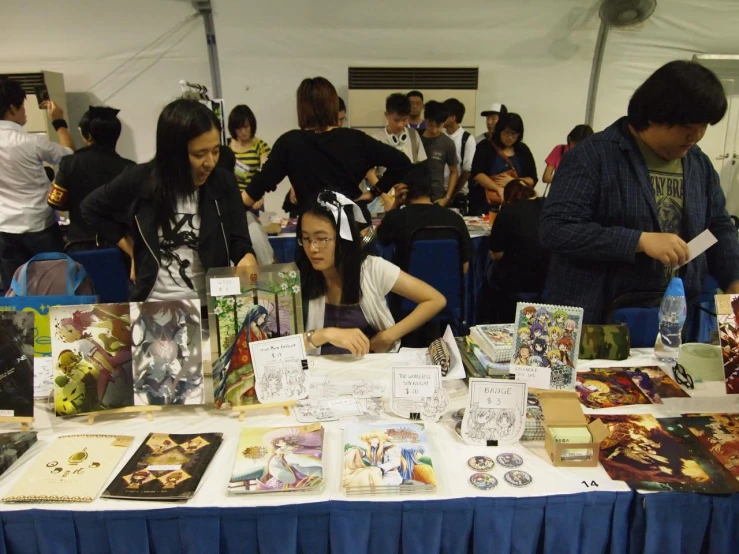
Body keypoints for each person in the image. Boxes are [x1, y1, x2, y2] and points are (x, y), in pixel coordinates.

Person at [540, 60, 739, 323]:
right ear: (655, 113)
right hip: (596, 319)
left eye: (704, 125)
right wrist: (639, 241)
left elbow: (718, 227)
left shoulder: (698, 164)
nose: (697, 135)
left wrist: (734, 279)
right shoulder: (593, 156)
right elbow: (556, 229)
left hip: (672, 319)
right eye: (688, 125)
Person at [81, 98, 256, 302]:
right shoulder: (140, 179)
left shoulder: (223, 183)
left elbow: (239, 240)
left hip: (210, 307)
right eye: (199, 154)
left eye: (216, 151)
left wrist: (247, 256)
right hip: (155, 306)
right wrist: (133, 249)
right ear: (174, 153)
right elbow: (90, 208)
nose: (210, 162)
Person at [298, 191, 445, 355]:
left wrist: (388, 336)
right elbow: (276, 345)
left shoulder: (371, 269)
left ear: (344, 239)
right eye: (306, 238)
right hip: (316, 373)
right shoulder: (294, 277)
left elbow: (435, 300)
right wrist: (324, 334)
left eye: (322, 238)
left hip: (368, 370)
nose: (312, 248)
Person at [244, 77, 411, 218]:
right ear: (332, 105)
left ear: (301, 107)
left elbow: (258, 186)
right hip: (352, 229)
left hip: (312, 236)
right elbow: (402, 162)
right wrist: (375, 192)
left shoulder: (290, 143)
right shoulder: (355, 139)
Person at [0, 79, 76, 287]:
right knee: (54, 287)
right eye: (23, 106)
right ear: (13, 108)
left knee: (14, 291)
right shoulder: (31, 142)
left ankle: (20, 320)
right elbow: (70, 158)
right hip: (40, 225)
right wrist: (58, 122)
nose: (25, 112)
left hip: (5, 227)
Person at [47, 106, 134, 251]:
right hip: (120, 245)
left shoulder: (70, 163)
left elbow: (55, 202)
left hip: (80, 242)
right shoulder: (129, 168)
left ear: (88, 136)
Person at [377, 161, 472, 273]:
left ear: (405, 189)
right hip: (448, 289)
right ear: (430, 187)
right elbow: (465, 267)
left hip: (407, 288)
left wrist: (396, 204)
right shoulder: (455, 220)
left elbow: (379, 239)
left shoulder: (396, 218)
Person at [484, 180, 549, 323]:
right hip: (546, 277)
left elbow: (496, 254)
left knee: (487, 268)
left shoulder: (507, 212)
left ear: (508, 197)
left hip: (516, 281)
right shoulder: (547, 206)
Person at [226, 104, 274, 264]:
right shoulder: (226, 147)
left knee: (258, 238)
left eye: (246, 127)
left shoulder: (260, 146)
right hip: (231, 202)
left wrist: (259, 196)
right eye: (239, 128)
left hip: (253, 201)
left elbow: (265, 172)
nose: (243, 131)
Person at [366, 93, 426, 212]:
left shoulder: (414, 136)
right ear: (387, 115)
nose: (400, 124)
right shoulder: (375, 139)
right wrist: (386, 198)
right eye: (396, 120)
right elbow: (370, 173)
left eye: (404, 120)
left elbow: (421, 168)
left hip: (410, 196)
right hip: (383, 198)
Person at [470, 113, 538, 216]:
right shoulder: (486, 146)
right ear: (499, 130)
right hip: (486, 204)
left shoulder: (523, 150)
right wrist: (498, 189)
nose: (510, 137)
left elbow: (532, 178)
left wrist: (514, 182)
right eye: (507, 133)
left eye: (514, 134)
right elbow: (477, 173)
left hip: (516, 206)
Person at [420, 101, 459, 205]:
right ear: (426, 119)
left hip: (437, 197)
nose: (435, 130)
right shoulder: (415, 138)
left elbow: (454, 171)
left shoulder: (448, 143)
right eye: (431, 125)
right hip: (415, 195)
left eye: (439, 126)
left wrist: (447, 197)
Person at [443, 98, 476, 212]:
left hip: (458, 194)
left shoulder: (466, 139)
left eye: (444, 115)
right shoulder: (440, 137)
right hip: (438, 192)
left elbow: (467, 170)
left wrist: (451, 194)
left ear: (453, 118)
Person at [541, 124, 594, 194]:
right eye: (571, 141)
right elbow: (546, 177)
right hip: (558, 193)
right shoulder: (559, 149)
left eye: (576, 144)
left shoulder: (590, 155)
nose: (572, 145)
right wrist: (569, 180)